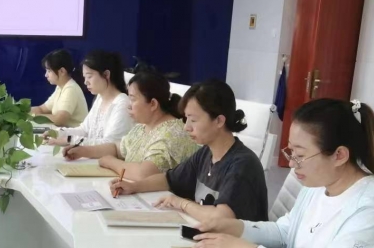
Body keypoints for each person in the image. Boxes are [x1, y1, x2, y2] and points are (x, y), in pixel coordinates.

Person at [190, 98, 374, 248]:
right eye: (291, 152)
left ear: (339, 155)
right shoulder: (320, 183)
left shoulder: (372, 208)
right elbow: (286, 232)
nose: (291, 163)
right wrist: (237, 227)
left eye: (300, 156)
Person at [109, 79, 268, 221]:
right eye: (186, 119)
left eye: (193, 120)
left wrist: (181, 203)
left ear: (219, 121)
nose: (186, 127)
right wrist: (134, 187)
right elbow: (169, 180)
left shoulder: (243, 165)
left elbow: (221, 216)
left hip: (236, 242)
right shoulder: (206, 153)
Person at [63, 71, 198, 179]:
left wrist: (110, 162)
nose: (128, 105)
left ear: (153, 104)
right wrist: (83, 151)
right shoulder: (142, 127)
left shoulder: (172, 134)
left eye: (133, 99)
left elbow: (143, 173)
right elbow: (117, 148)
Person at [43, 49, 131, 147]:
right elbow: (84, 130)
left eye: (89, 77)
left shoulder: (122, 104)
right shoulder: (100, 98)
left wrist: (69, 140)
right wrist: (58, 133)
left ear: (106, 75)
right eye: (84, 77)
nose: (85, 82)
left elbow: (110, 145)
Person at [30, 49, 89, 128]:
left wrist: (33, 116)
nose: (46, 75)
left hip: (73, 134)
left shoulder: (71, 89)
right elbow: (42, 109)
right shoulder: (60, 87)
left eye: (49, 71)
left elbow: (60, 120)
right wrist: (22, 111)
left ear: (62, 71)